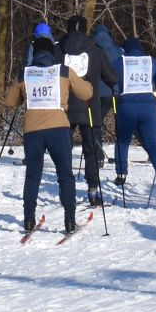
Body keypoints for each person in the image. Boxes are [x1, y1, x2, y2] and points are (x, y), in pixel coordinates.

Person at [0, 34, 94, 235]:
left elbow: (9, 102)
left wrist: (21, 93)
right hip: (58, 128)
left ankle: (29, 220)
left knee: (33, 176)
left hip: (32, 130)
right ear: (52, 52)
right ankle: (69, 220)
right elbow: (86, 94)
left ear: (34, 53)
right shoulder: (64, 71)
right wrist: (89, 83)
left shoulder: (25, 73)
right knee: (65, 175)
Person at [58, 16, 117, 204]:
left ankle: (66, 189)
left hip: (64, 107)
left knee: (64, 149)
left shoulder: (58, 49)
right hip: (90, 106)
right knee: (90, 150)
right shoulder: (96, 51)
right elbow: (111, 77)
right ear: (85, 29)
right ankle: (93, 190)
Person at [112, 36, 156, 195]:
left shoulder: (120, 61)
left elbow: (109, 77)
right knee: (151, 142)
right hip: (148, 107)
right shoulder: (150, 60)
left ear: (125, 50)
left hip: (127, 106)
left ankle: (121, 174)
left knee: (123, 141)